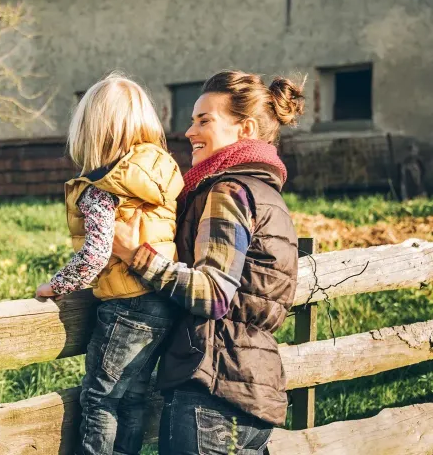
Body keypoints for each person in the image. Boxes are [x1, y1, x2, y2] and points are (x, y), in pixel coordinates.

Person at [112, 70, 303, 454]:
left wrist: (136, 256)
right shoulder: (266, 193)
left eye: (204, 121)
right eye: (192, 119)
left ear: (245, 128)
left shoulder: (228, 191)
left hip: (212, 395)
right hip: (253, 394)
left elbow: (214, 295)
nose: (189, 131)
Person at [36, 72, 183, 455]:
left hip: (126, 304)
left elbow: (97, 252)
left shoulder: (103, 186)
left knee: (100, 397)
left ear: (90, 130)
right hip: (165, 297)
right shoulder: (161, 173)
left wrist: (56, 285)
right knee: (133, 395)